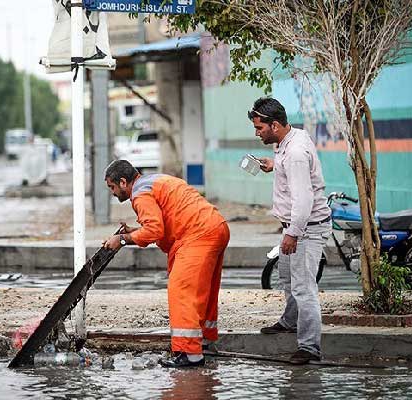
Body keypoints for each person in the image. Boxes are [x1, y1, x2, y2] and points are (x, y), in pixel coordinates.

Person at [102, 160, 230, 368]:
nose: (113, 193)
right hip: (216, 227)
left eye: (112, 187)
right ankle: (204, 342)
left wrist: (122, 240)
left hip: (197, 234)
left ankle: (190, 354)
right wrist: (134, 231)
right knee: (204, 292)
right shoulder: (154, 181)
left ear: (123, 182)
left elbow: (154, 230)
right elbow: (165, 220)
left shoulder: (140, 195)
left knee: (181, 291)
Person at [248, 97, 332, 365]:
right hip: (296, 227)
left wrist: (293, 234)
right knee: (286, 275)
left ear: (274, 125)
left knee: (304, 287)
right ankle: (290, 321)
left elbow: (304, 199)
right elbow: (294, 170)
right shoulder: (290, 140)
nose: (257, 133)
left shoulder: (294, 153)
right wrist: (274, 165)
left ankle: (309, 347)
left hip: (305, 230)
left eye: (260, 128)